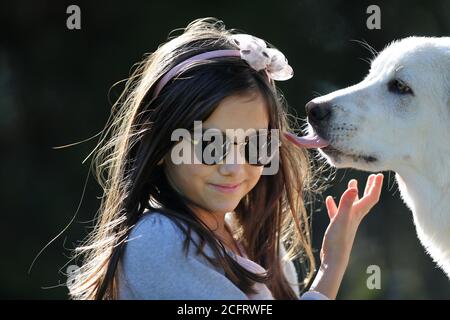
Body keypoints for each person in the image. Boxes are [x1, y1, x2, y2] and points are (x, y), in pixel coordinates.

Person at [68, 17, 384, 300]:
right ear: (161, 143)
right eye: (210, 145)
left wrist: (333, 261)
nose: (234, 167)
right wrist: (330, 269)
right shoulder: (160, 240)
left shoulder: (253, 245)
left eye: (256, 146)